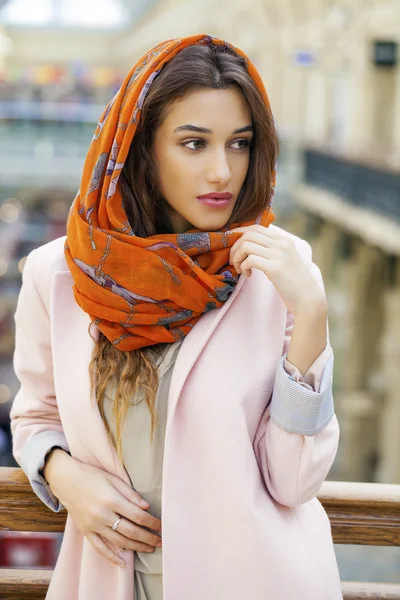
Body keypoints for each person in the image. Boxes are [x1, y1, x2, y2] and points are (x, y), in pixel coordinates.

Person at [10, 34, 343, 600]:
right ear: (141, 146)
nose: (222, 172)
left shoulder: (277, 271)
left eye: (240, 144)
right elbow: (35, 417)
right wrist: (66, 479)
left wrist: (311, 315)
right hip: (108, 580)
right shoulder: (60, 276)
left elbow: (293, 483)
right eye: (194, 143)